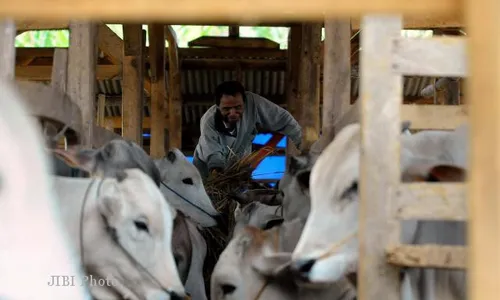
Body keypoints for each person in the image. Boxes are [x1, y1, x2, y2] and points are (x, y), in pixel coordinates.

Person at [193, 80, 302, 179]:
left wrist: (303, 145)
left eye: (238, 107)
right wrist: (217, 177)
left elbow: (283, 119)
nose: (233, 113)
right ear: (217, 107)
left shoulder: (253, 103)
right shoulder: (208, 121)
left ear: (244, 103)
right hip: (207, 173)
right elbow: (213, 156)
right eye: (226, 109)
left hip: (238, 171)